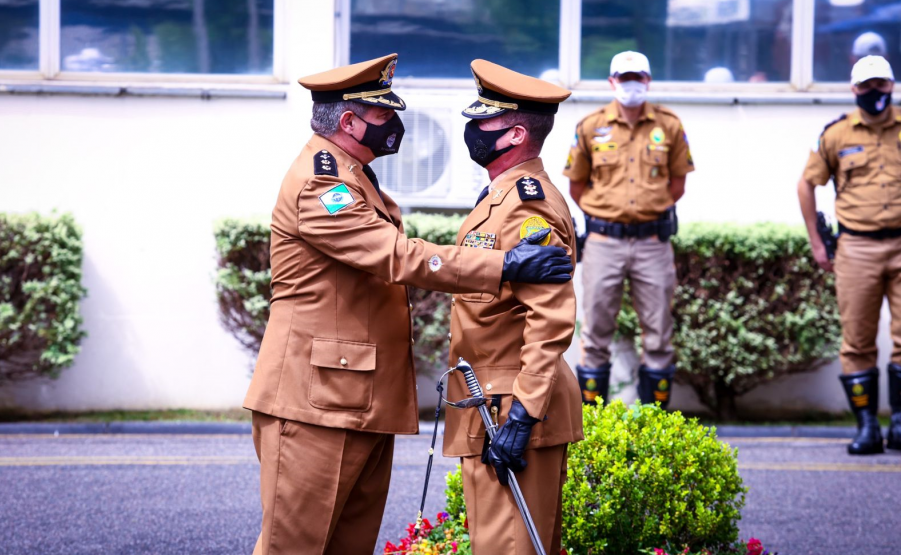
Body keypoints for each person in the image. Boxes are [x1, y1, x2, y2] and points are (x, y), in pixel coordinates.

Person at [243, 53, 574, 555]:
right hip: (316, 402)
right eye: (383, 115)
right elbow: (394, 256)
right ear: (349, 121)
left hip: (353, 399)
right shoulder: (322, 181)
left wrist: (525, 411)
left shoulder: (357, 178)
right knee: (295, 547)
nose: (395, 125)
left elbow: (547, 317)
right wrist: (503, 265)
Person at [442, 59, 583, 555]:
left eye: (485, 121)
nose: (473, 130)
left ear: (515, 133)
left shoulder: (528, 204)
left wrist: (522, 416)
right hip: (492, 402)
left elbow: (550, 319)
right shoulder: (500, 196)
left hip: (513, 406)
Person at [564, 51, 694, 409]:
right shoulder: (591, 126)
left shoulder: (668, 124)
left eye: (637, 78)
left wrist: (650, 210)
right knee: (595, 335)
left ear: (648, 81)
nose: (631, 85)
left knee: (659, 336)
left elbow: (678, 182)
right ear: (612, 82)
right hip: (604, 243)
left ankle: (654, 423)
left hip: (653, 243)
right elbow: (577, 186)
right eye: (624, 78)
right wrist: (607, 213)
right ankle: (592, 422)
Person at [797, 54, 901, 455]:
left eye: (882, 85)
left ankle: (900, 424)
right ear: (854, 89)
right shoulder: (835, 134)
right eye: (867, 86)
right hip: (857, 248)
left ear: (891, 86)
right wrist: (818, 242)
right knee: (857, 341)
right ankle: (867, 427)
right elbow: (807, 185)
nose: (875, 92)